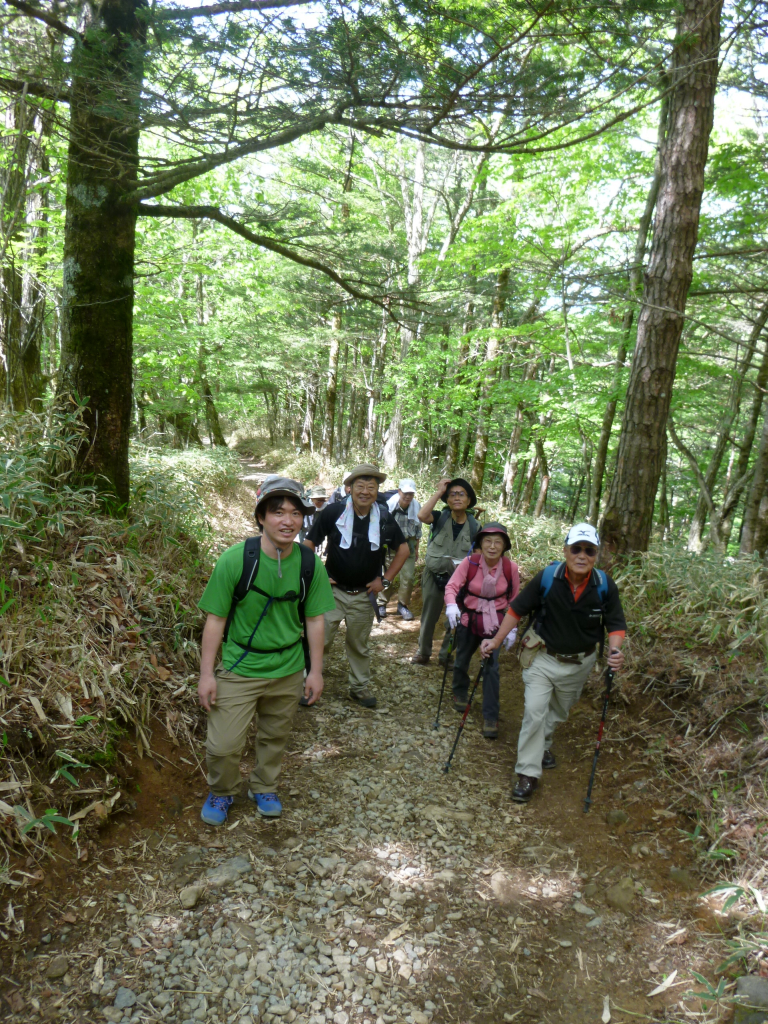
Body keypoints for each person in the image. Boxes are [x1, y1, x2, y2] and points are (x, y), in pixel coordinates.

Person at [196, 478, 335, 825]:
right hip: (240, 666)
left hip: (287, 667)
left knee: (276, 735)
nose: (288, 520)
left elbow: (315, 619)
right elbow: (216, 619)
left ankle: (265, 786)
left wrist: (314, 671)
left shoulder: (309, 564)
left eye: (295, 513)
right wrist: (206, 674)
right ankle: (222, 790)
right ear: (261, 517)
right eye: (277, 512)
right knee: (223, 745)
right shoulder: (236, 560)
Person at [481, 522, 626, 804]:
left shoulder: (604, 585)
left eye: (589, 550)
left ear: (596, 555)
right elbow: (517, 609)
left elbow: (616, 623)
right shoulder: (548, 577)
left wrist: (615, 651)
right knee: (535, 712)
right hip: (543, 658)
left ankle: (543, 745)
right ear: (565, 551)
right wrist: (496, 641)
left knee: (558, 713)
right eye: (576, 549)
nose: (582, 555)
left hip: (580, 664)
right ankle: (527, 773)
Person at [305, 464, 410, 708]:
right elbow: (308, 543)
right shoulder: (334, 512)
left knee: (359, 644)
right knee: (320, 640)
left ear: (377, 491)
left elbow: (403, 550)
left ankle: (359, 687)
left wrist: (384, 581)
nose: (365, 491)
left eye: (371, 487)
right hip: (330, 592)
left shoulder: (384, 517)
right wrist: (319, 574)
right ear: (349, 488)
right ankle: (307, 682)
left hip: (364, 594)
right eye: (360, 486)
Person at [444, 523, 520, 739]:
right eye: (488, 541)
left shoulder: (510, 568)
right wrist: (451, 605)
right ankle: (460, 692)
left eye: (498, 542)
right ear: (480, 544)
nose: (493, 546)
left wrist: (511, 628)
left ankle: (490, 715)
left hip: (494, 624)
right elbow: (452, 586)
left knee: (491, 669)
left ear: (505, 545)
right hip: (468, 618)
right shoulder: (470, 563)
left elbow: (515, 600)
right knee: (462, 658)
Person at [412, 476, 480, 666]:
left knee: (456, 619)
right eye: (452, 495)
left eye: (461, 494)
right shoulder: (440, 517)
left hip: (459, 581)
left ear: (468, 500)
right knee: (428, 617)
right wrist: (439, 491)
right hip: (433, 576)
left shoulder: (475, 526)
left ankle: (446, 655)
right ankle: (423, 652)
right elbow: (421, 516)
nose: (456, 498)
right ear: (447, 499)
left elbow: (477, 555)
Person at [377, 478, 422, 621]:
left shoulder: (416, 507)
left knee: (408, 578)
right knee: (388, 575)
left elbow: (418, 529)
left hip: (409, 545)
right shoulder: (389, 506)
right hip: (391, 547)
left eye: (411, 493)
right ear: (399, 491)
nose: (408, 496)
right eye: (405, 493)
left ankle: (402, 605)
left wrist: (417, 548)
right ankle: (381, 603)